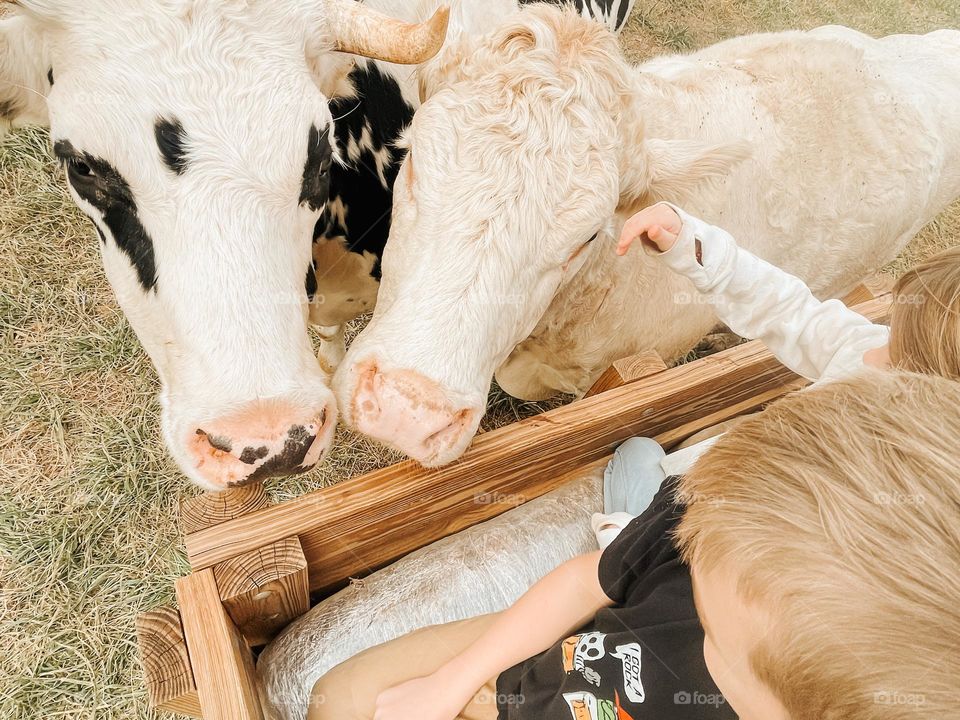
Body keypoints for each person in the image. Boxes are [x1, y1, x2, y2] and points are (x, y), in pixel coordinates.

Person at [308, 371, 960, 720]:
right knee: (337, 699)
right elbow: (584, 582)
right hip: (543, 666)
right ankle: (628, 516)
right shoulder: (720, 520)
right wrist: (452, 685)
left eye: (718, 644)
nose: (699, 626)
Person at [597, 202, 960, 530]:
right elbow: (789, 310)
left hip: (715, 527)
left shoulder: (877, 475)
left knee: (636, 455)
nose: (875, 349)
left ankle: (626, 543)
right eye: (892, 328)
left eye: (893, 355)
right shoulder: (871, 350)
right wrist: (692, 244)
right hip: (723, 489)